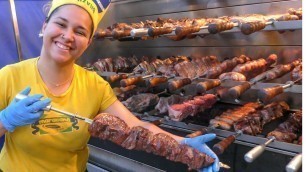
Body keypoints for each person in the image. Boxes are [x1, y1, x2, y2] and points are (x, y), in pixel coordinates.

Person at [0, 0, 219, 171]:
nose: (67, 36)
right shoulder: (10, 76)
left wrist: (184, 143)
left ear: (89, 41)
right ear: (45, 26)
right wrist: (6, 120)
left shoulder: (94, 85)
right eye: (60, 24)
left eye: (79, 31)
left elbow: (135, 126)